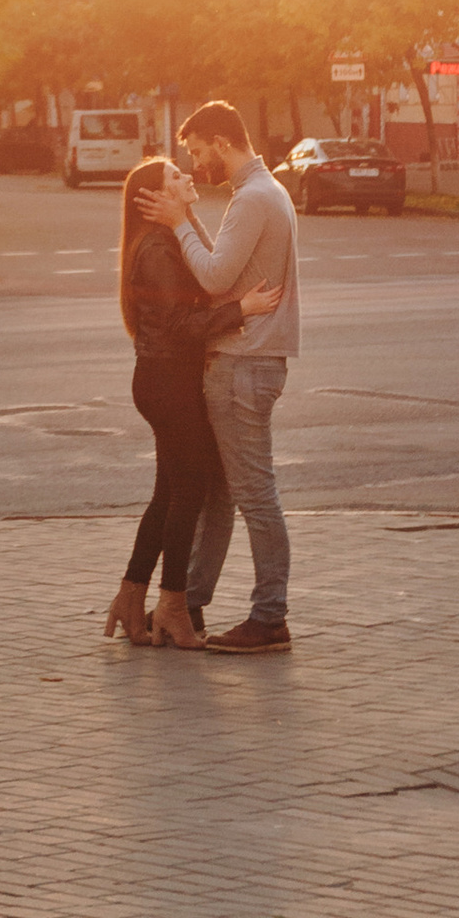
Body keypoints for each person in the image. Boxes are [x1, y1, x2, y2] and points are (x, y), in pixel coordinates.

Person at [105, 159, 286, 648]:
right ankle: (172, 607)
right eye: (175, 177)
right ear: (154, 197)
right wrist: (241, 310)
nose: (187, 178)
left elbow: (208, 274)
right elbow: (179, 326)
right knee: (189, 490)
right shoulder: (158, 250)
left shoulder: (164, 241)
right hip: (168, 383)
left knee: (170, 492)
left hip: (164, 380)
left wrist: (184, 219)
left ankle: (130, 597)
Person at [176, 98, 303, 655]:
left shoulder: (251, 198)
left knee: (253, 494)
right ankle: (190, 603)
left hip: (242, 364)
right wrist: (192, 220)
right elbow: (229, 267)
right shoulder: (266, 192)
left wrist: (177, 224)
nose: (196, 162)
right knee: (222, 491)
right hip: (253, 362)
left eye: (198, 151)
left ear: (221, 142)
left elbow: (212, 278)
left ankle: (269, 617)